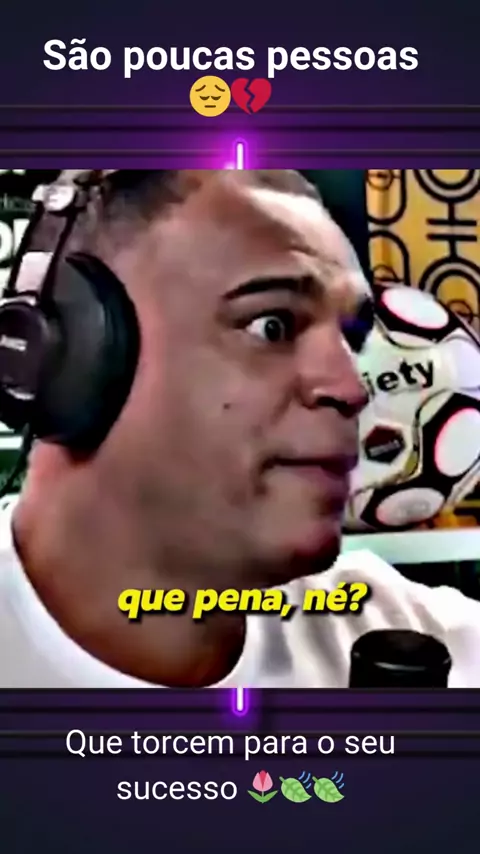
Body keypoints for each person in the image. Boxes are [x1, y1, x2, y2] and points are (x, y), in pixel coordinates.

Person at [0, 167, 479, 689]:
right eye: (272, 326)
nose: (352, 387)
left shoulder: (418, 637)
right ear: (70, 362)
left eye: (353, 336)